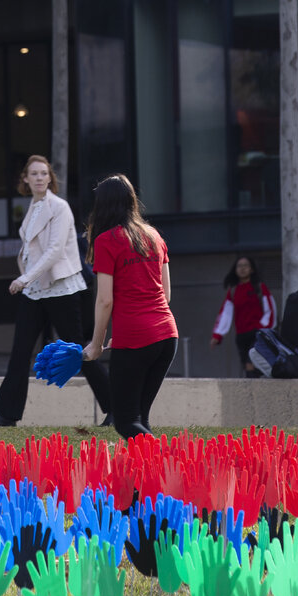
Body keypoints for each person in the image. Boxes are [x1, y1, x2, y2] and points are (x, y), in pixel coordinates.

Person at [0, 154, 111, 429]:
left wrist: (24, 278)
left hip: (60, 288)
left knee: (76, 350)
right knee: (20, 351)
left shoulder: (59, 207)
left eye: (43, 173)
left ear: (50, 178)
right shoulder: (33, 207)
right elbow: (31, 250)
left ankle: (118, 408)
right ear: (25, 179)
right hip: (36, 290)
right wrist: (28, 279)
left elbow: (54, 251)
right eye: (33, 174)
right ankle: (7, 414)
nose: (39, 178)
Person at [82, 174, 178, 438]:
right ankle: (146, 479)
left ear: (102, 206)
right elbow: (166, 294)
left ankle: (165, 461)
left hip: (136, 338)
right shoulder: (154, 235)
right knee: (139, 417)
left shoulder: (106, 241)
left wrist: (96, 344)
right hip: (167, 335)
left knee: (125, 421)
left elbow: (105, 300)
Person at [210, 255, 276, 377]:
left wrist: (263, 329)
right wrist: (217, 335)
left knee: (253, 364)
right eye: (239, 266)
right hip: (241, 336)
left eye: (246, 265)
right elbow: (226, 314)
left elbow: (270, 310)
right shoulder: (233, 291)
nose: (242, 268)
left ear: (252, 269)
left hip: (258, 334)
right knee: (247, 367)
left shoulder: (260, 287)